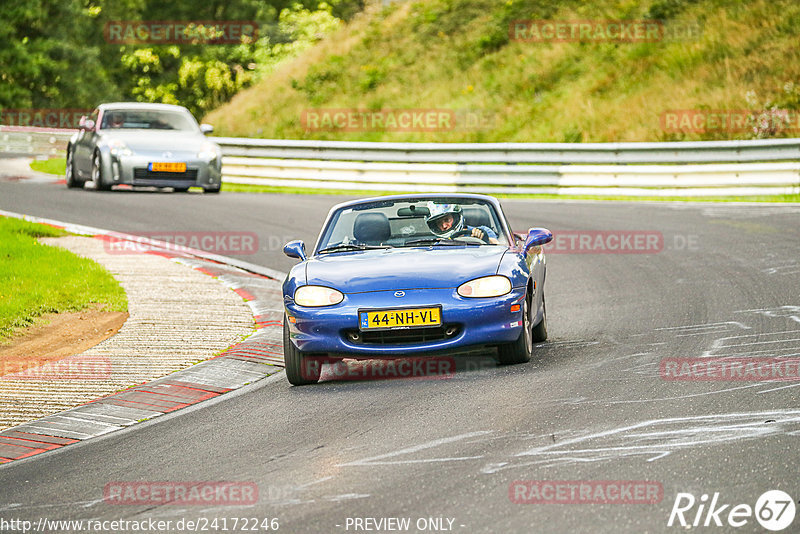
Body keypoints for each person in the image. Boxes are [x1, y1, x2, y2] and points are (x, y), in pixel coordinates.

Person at [425, 202, 499, 244]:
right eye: (439, 223)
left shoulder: (484, 231)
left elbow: (499, 248)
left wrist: (484, 239)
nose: (444, 226)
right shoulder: (437, 242)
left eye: (447, 220)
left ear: (455, 217)